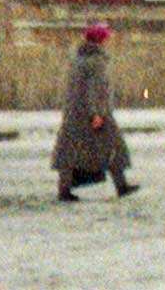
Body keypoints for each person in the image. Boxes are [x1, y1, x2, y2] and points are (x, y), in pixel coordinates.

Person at [53, 23, 138, 199]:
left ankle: (64, 189)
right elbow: (94, 89)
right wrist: (96, 113)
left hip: (75, 113)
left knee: (71, 152)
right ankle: (121, 186)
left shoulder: (78, 59)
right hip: (95, 113)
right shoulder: (97, 62)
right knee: (113, 149)